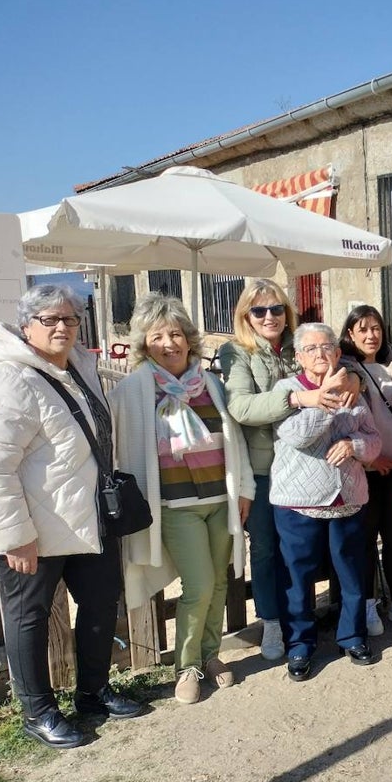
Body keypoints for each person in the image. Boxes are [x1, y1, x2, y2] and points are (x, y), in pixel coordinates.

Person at [0, 284, 141, 749]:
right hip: (34, 530)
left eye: (70, 319)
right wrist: (14, 536)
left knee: (101, 605)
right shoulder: (9, 378)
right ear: (27, 326)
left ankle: (92, 692)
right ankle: (38, 711)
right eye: (50, 320)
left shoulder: (80, 367)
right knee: (29, 618)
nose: (63, 327)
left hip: (88, 518)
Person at [112, 294, 255, 705]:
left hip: (220, 500)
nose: (169, 343)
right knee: (200, 584)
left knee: (219, 581)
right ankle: (187, 665)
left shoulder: (210, 384)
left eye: (176, 333)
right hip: (175, 507)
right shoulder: (134, 392)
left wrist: (244, 490)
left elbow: (235, 442)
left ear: (189, 338)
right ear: (144, 343)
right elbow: (119, 447)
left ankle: (211, 656)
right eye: (158, 336)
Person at [219, 279, 355, 661]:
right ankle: (274, 623)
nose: (269, 317)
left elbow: (337, 365)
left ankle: (311, 622)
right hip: (265, 467)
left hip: (308, 465)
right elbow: (242, 408)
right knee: (267, 550)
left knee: (305, 552)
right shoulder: (238, 352)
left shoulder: (300, 343)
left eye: (276, 308)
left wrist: (354, 379)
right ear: (246, 315)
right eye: (259, 310)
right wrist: (296, 397)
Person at [270, 323, 382, 682]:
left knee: (352, 570)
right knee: (297, 576)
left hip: (347, 496)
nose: (320, 354)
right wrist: (326, 398)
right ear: (299, 357)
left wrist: (355, 447)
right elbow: (298, 436)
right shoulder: (287, 390)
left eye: (327, 347)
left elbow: (374, 440)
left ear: (337, 354)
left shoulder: (354, 391)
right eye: (312, 349)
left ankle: (353, 635)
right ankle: (300, 644)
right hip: (298, 500)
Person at [339, 305, 392, 633]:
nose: (371, 335)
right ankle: (368, 604)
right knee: (362, 540)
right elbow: (342, 424)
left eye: (375, 328)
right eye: (363, 330)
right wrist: (371, 459)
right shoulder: (344, 371)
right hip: (362, 471)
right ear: (350, 335)